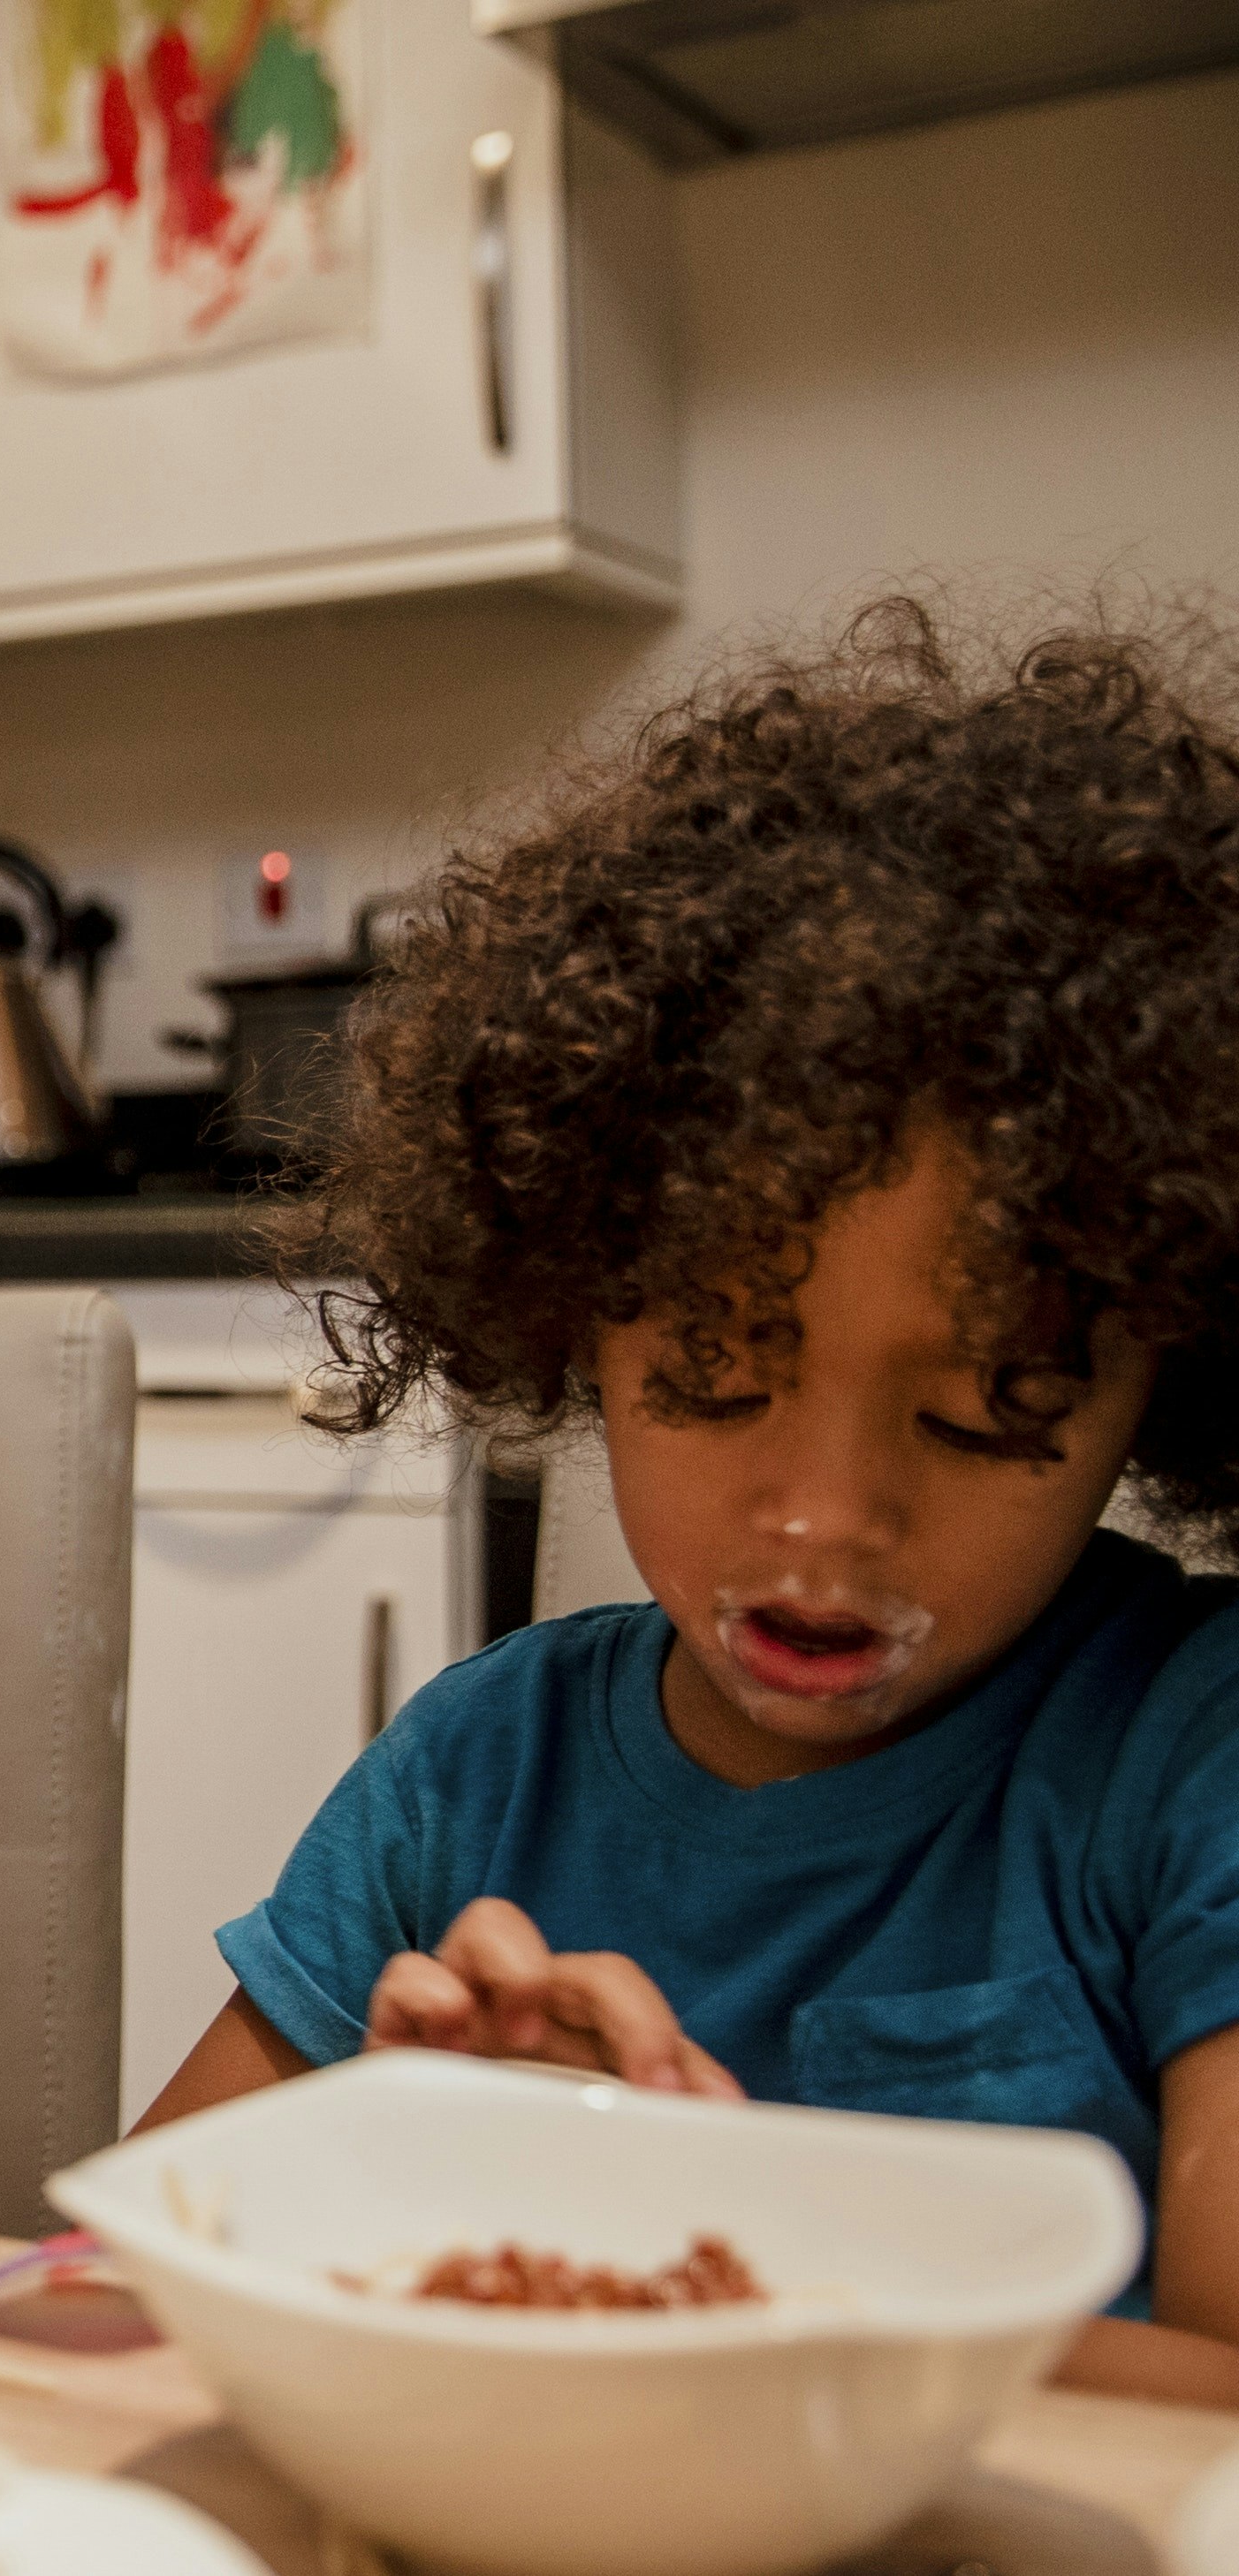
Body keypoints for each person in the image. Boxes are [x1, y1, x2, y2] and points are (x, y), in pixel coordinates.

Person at [134, 600, 1239, 2403]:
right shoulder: (473, 1778)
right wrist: (402, 2186)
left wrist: (712, 2256)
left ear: (1166, 1364)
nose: (826, 1517)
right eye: (719, 1376)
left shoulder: (1190, 1763)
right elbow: (109, 2299)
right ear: (574, 1313)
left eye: (982, 1413)